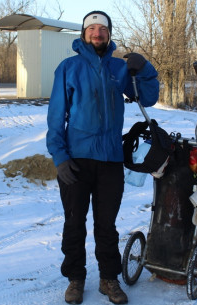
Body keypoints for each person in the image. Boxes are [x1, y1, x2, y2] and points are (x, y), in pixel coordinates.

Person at [46, 10, 159, 305]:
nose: (97, 33)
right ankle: (75, 279)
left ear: (109, 34)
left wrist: (145, 68)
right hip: (76, 160)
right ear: (84, 34)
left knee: (106, 225)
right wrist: (59, 156)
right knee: (74, 222)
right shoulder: (68, 68)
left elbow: (147, 97)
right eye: (92, 28)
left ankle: (109, 279)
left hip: (110, 159)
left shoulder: (119, 69)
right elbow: (56, 116)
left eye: (102, 29)